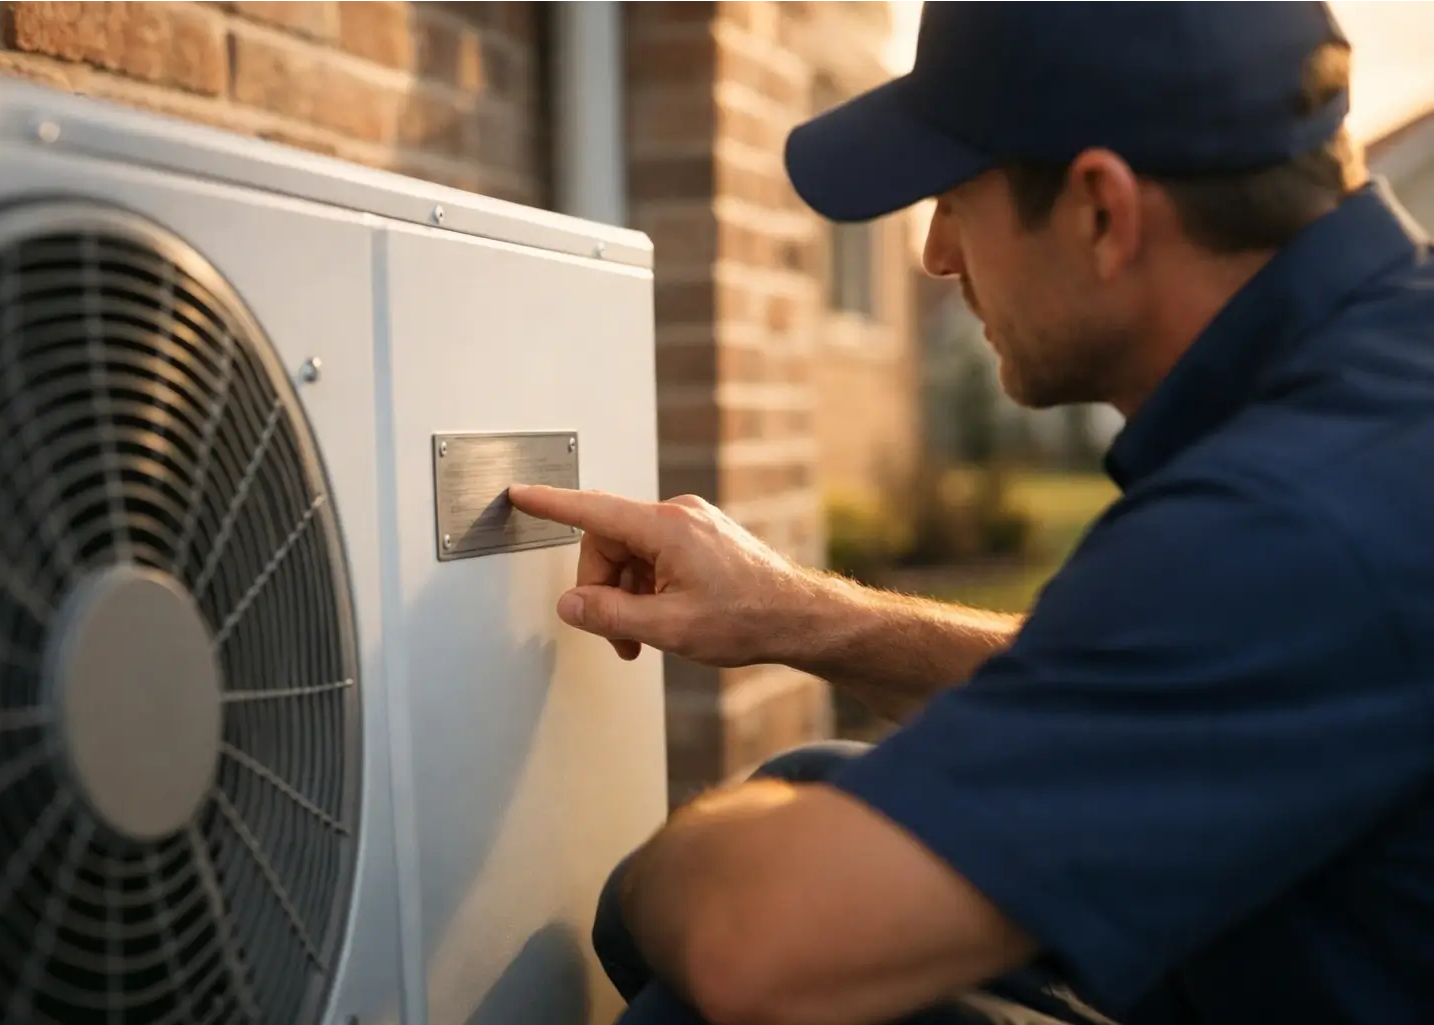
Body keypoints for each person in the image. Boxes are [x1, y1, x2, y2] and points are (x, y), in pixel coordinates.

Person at [510, 0, 1434, 1021]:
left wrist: (656, 851)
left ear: (1099, 211)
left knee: (728, 951)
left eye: (954, 197)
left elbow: (757, 946)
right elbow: (1182, 684)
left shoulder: (1294, 508)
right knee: (815, 778)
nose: (936, 256)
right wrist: (796, 615)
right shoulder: (1379, 390)